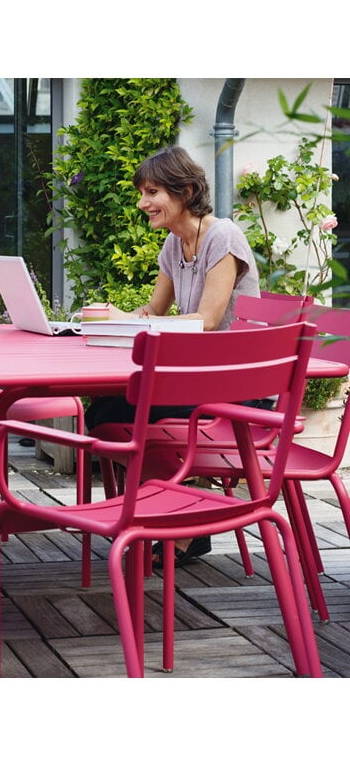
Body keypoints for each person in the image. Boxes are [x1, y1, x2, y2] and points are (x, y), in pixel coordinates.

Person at [84, 145, 262, 567]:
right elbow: (154, 313)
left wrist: (138, 322)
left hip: (235, 388)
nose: (143, 203)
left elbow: (207, 320)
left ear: (183, 191)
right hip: (199, 379)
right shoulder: (173, 243)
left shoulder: (223, 236)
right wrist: (117, 317)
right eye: (142, 193)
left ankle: (177, 519)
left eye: (152, 192)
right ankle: (173, 517)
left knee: (128, 409)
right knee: (106, 409)